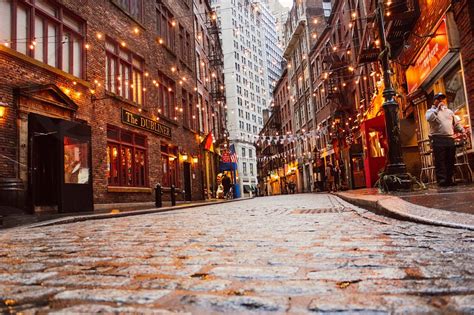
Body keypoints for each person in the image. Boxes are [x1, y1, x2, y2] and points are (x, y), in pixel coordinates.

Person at [426, 92, 465, 187]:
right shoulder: (430, 111)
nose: (441, 101)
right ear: (434, 101)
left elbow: (455, 124)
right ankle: (442, 180)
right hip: (438, 138)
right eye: (438, 99)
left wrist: (462, 130)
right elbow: (430, 119)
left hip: (449, 138)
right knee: (440, 160)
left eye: (442, 99)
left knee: (450, 160)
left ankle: (449, 179)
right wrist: (437, 109)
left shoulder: (449, 112)